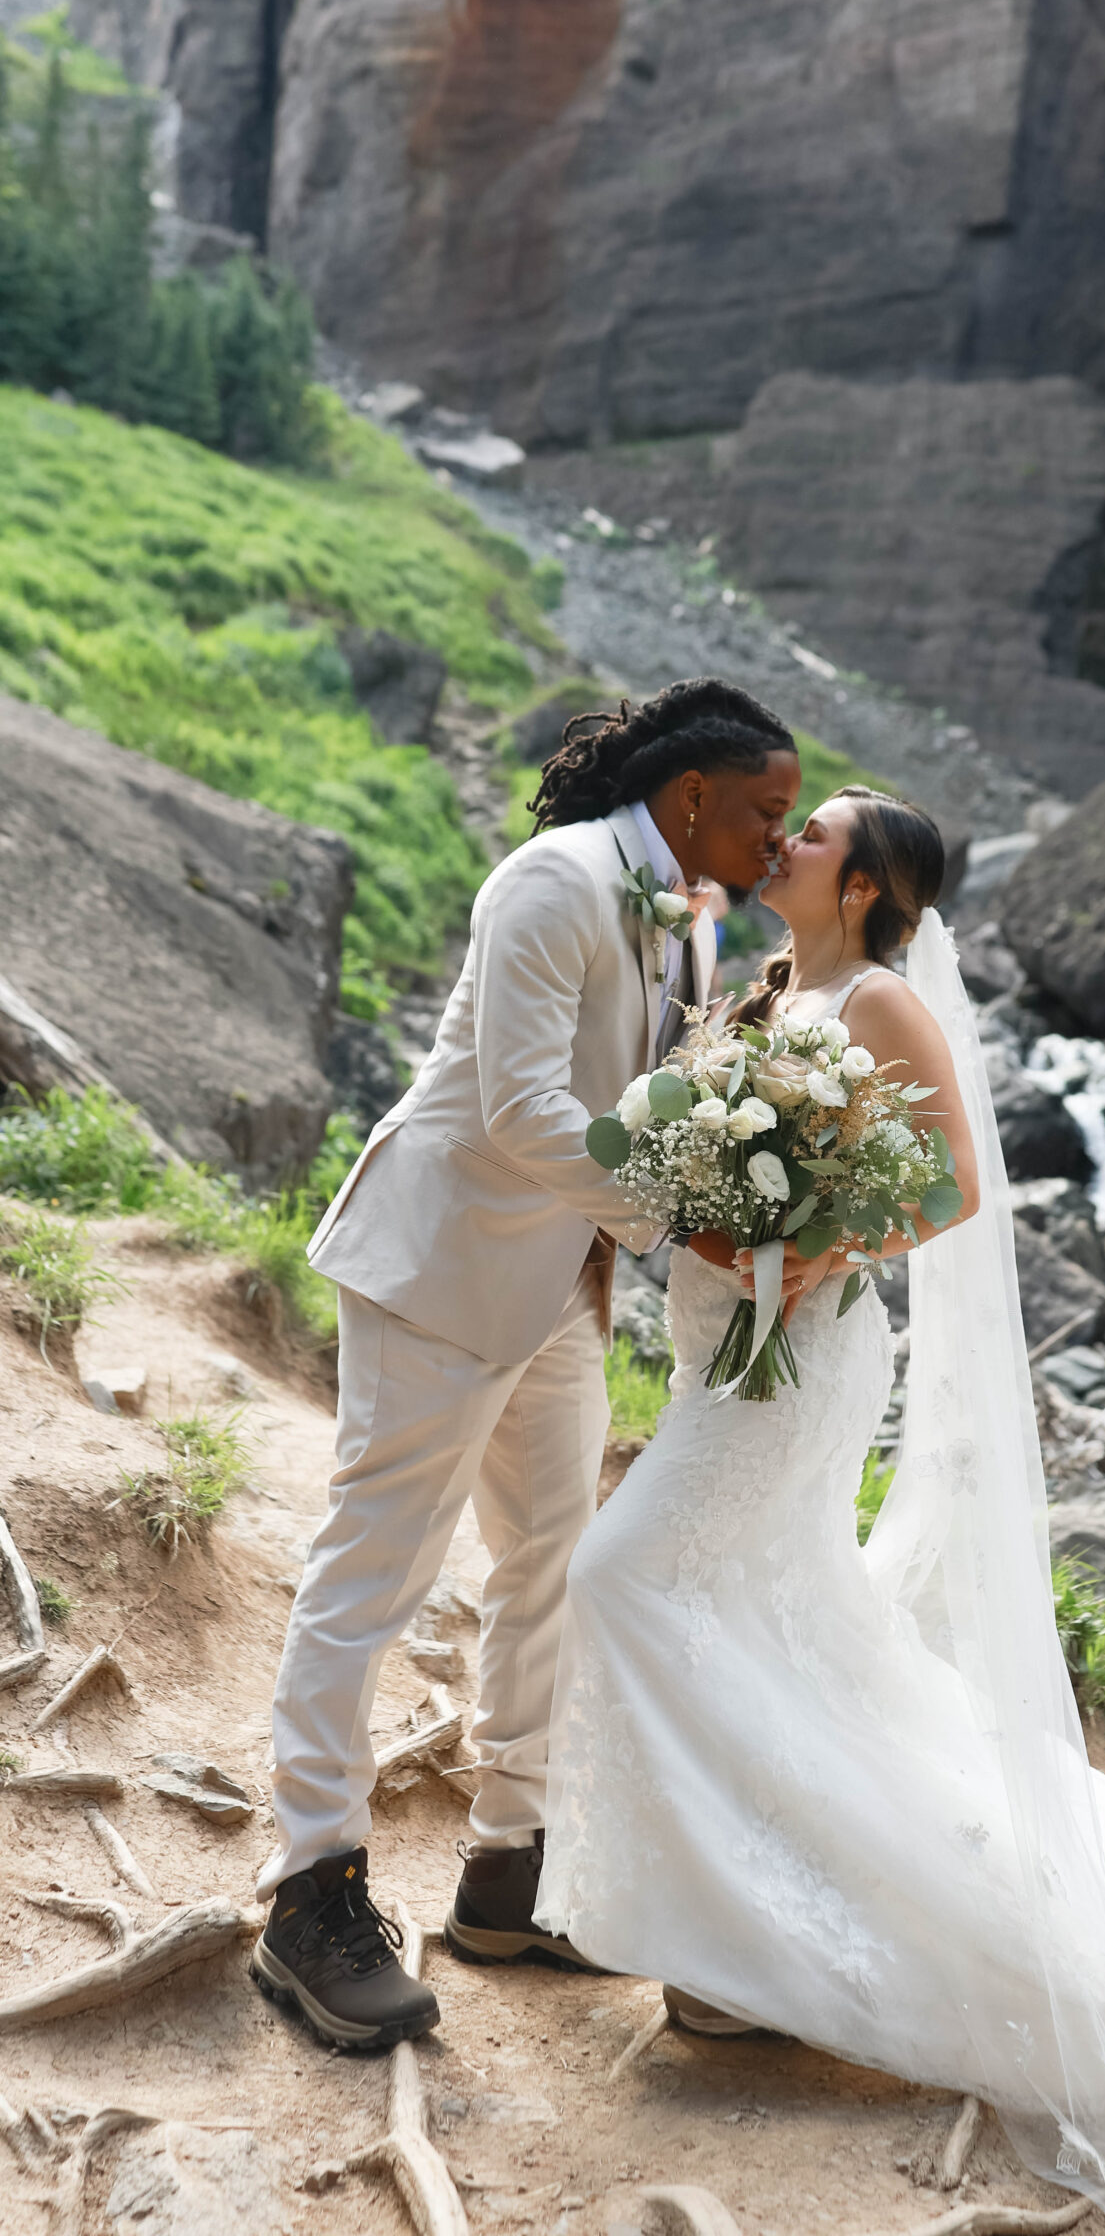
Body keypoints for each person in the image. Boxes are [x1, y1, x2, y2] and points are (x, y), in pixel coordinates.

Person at [537, 785, 1105, 2236]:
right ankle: (721, 1947)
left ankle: (735, 1917)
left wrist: (811, 1256)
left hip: (797, 1356)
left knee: (625, 1579)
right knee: (778, 1611)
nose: (789, 844)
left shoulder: (883, 999)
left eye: (817, 836)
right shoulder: (774, 984)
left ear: (873, 883)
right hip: (723, 1342)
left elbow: (952, 1187)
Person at [250, 678, 801, 2051]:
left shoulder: (688, 905)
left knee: (547, 1562)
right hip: (441, 1264)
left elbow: (650, 1082)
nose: (776, 842)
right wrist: (680, 1212)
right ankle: (308, 1895)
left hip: (557, 1282)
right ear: (686, 799)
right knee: (370, 1576)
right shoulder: (551, 883)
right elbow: (519, 1111)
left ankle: (509, 1869)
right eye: (761, 813)